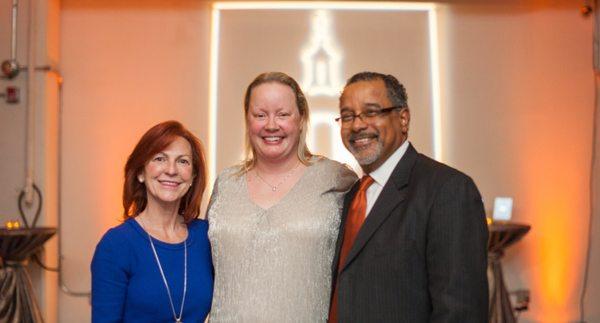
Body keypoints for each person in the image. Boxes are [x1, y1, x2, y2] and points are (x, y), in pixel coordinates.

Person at [329, 72, 489, 322]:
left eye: (371, 112)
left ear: (403, 118)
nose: (357, 125)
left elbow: (460, 312)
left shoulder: (448, 190)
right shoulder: (350, 195)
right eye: (348, 116)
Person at [207, 72, 357, 322]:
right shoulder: (226, 183)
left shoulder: (336, 178)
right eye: (260, 115)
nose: (271, 125)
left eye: (283, 114)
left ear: (301, 119)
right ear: (247, 120)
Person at [91, 120, 213, 323]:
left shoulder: (206, 236)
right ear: (140, 172)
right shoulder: (116, 245)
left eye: (183, 161)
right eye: (160, 158)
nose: (171, 170)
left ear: (192, 177)